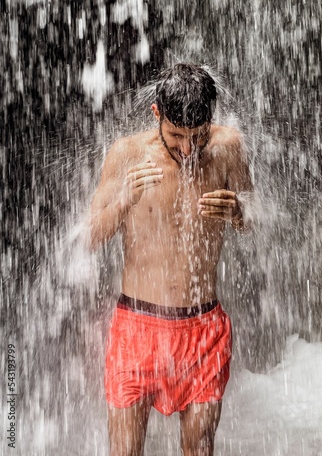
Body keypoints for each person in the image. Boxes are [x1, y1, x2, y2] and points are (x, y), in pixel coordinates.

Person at [89, 64, 253, 456]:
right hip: (137, 330)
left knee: (199, 449)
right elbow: (91, 236)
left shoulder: (228, 147)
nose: (186, 148)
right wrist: (123, 198)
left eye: (197, 137)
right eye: (176, 135)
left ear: (210, 122)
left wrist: (238, 213)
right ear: (156, 115)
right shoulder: (127, 154)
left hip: (203, 331)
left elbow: (252, 221)